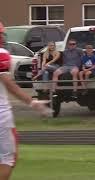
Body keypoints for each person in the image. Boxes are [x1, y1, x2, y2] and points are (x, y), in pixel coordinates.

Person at [0, 21, 52, 180]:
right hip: (1, 116)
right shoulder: (1, 53)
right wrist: (32, 102)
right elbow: (9, 84)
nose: (3, 37)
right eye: (1, 33)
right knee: (8, 159)